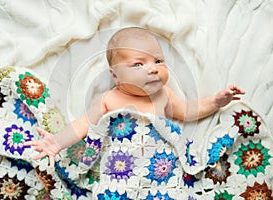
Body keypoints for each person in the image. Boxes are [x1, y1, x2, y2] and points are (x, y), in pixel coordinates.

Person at [24, 27, 245, 169]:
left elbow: (187, 111)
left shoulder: (164, 95)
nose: (153, 69)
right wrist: (56, 142)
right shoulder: (108, 100)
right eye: (138, 64)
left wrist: (215, 102)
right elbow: (82, 124)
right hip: (121, 167)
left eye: (158, 61)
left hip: (164, 165)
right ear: (115, 75)